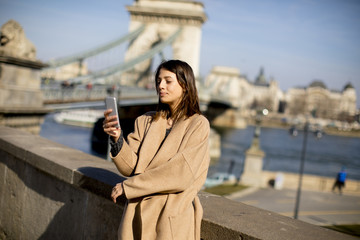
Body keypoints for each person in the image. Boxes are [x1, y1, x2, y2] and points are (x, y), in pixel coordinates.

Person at [103, 60, 210, 240]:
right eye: (158, 81)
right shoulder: (145, 121)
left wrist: (128, 186)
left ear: (185, 85)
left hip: (170, 219)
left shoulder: (198, 124)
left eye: (168, 81)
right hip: (135, 215)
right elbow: (130, 167)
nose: (161, 86)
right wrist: (116, 138)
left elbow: (180, 174)